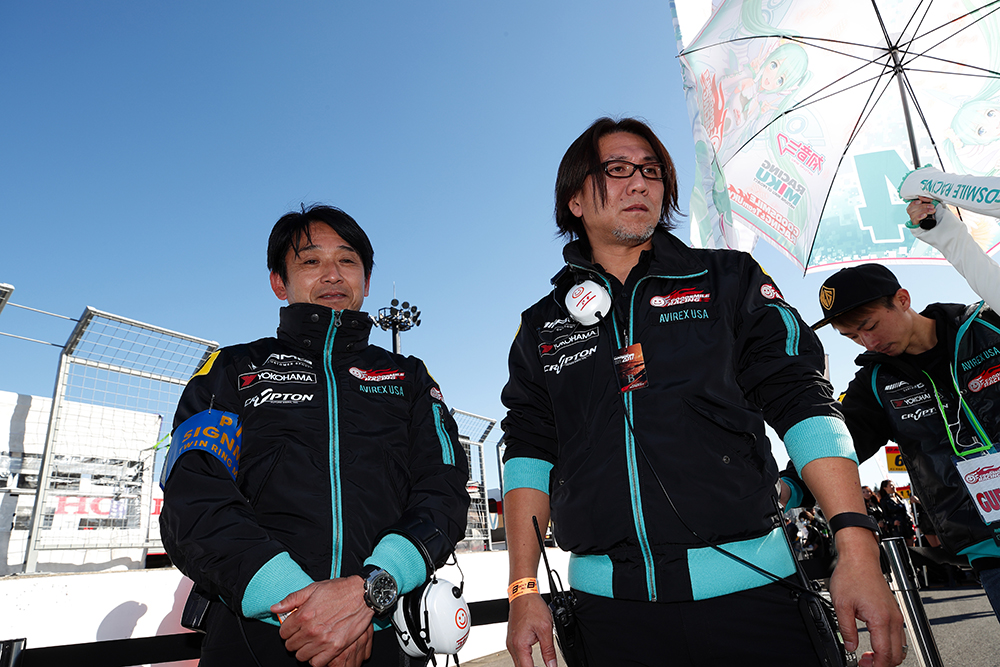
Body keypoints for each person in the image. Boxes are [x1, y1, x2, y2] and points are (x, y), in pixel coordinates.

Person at [500, 117, 904, 667]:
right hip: (608, 619)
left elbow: (802, 398)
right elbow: (528, 450)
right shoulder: (541, 326)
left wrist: (854, 540)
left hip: (755, 599)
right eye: (617, 169)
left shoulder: (730, 279)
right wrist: (523, 590)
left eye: (652, 171)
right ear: (574, 199)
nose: (639, 182)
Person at [159, 205, 470, 667]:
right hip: (256, 634)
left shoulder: (409, 377)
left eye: (347, 260)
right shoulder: (232, 369)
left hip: (382, 627)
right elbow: (193, 495)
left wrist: (369, 591)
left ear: (366, 281)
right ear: (278, 282)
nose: (332, 274)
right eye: (310, 261)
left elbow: (444, 490)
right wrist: (301, 606)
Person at [812, 259, 1000, 619]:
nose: (868, 342)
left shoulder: (988, 324)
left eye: (870, 326)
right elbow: (836, 443)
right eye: (852, 337)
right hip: (988, 548)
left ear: (902, 299)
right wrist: (787, 484)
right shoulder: (875, 382)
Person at [879, 480, 915, 546]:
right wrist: (893, 522)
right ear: (885, 488)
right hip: (897, 527)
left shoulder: (899, 497)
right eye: (890, 485)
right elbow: (885, 515)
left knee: (911, 543)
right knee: (902, 545)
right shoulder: (884, 501)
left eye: (893, 485)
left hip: (906, 523)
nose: (893, 487)